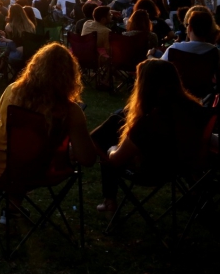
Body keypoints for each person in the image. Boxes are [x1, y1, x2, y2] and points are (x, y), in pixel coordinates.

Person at [0, 44, 97, 217]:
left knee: (11, 151)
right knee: (25, 156)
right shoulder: (70, 111)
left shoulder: (12, 91)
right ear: (70, 76)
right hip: (33, 171)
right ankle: (11, 210)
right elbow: (87, 158)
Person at [90, 59, 209, 212]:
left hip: (151, 172)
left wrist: (112, 149)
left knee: (106, 139)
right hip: (182, 166)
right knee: (118, 118)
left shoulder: (149, 123)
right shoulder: (195, 110)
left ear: (145, 87)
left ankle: (109, 200)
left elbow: (117, 158)